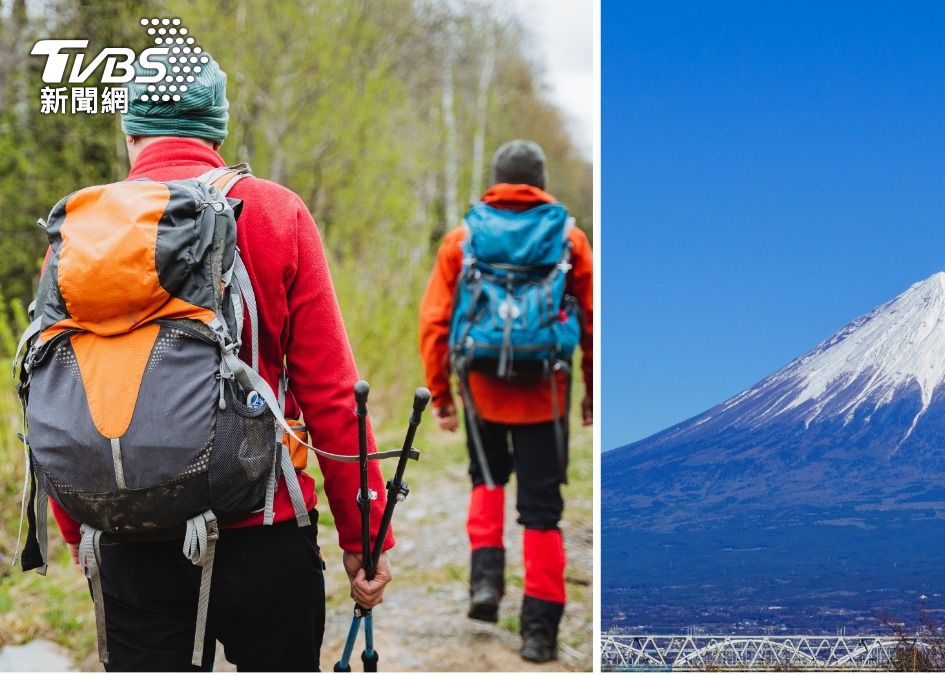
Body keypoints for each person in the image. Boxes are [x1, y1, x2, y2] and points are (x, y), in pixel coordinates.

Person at [44, 54, 394, 671]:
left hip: (126, 535)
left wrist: (79, 532)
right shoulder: (276, 213)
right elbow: (333, 391)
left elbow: (57, 394)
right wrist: (364, 538)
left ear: (130, 132)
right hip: (262, 529)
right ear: (217, 130)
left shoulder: (79, 234)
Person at [419, 139, 594, 662]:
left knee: (487, 480)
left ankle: (486, 587)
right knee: (543, 512)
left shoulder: (463, 238)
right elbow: (594, 320)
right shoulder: (570, 239)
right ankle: (539, 632)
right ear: (540, 182)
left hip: (481, 388)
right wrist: (591, 394)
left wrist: (442, 395)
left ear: (496, 179)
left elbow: (434, 322)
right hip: (546, 390)